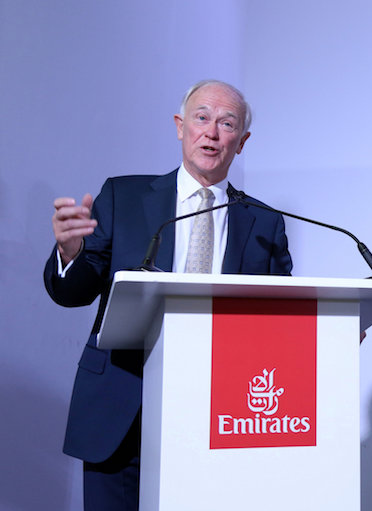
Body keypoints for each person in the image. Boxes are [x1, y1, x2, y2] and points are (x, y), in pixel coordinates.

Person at [44, 79, 292, 510]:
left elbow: (278, 320)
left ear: (242, 141)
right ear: (180, 126)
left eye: (227, 123)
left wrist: (329, 341)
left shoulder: (263, 223)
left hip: (219, 412)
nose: (211, 133)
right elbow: (74, 292)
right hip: (122, 405)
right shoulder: (124, 196)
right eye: (201, 118)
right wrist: (70, 252)